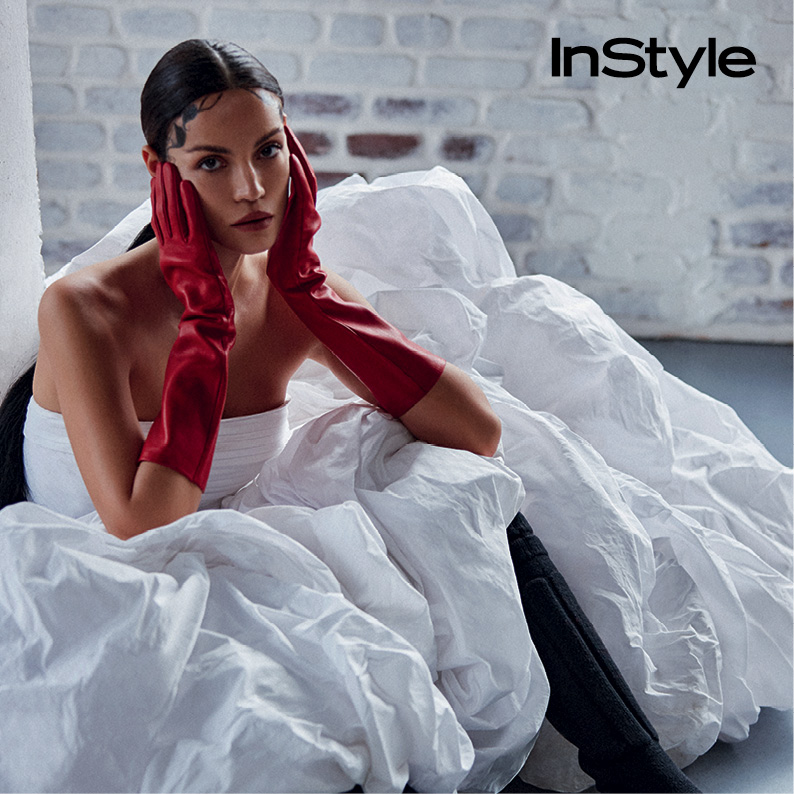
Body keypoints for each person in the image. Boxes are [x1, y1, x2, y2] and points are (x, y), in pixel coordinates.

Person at [0, 39, 700, 793]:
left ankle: (636, 769)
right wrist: (206, 324)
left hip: (230, 542)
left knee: (455, 485)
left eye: (268, 151)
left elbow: (475, 433)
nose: (251, 189)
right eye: (211, 163)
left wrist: (313, 294)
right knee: (295, 717)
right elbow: (142, 526)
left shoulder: (295, 289)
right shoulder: (85, 309)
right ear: (159, 172)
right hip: (103, 576)